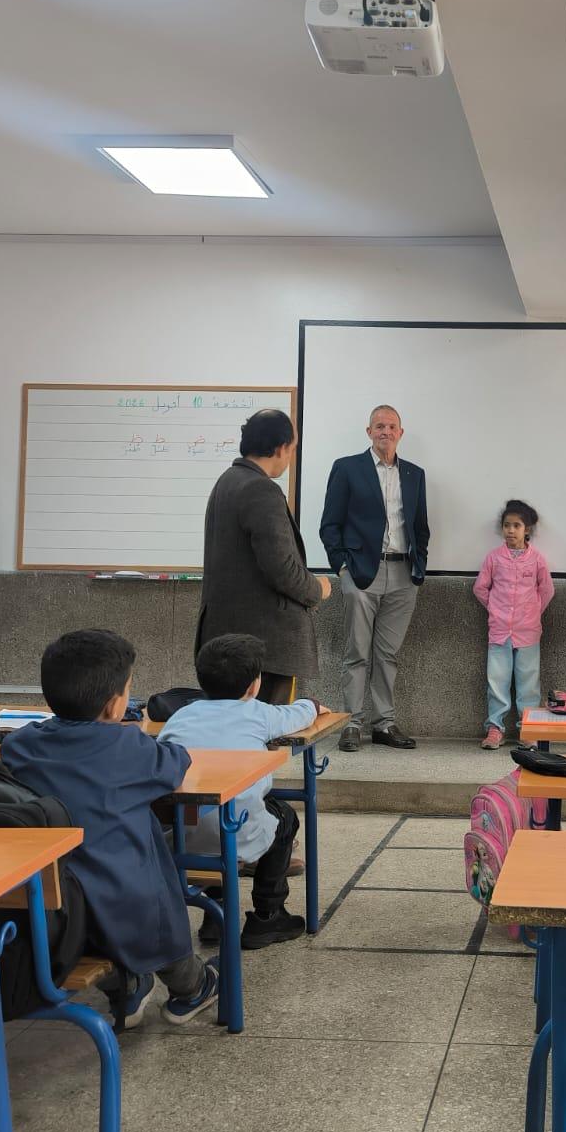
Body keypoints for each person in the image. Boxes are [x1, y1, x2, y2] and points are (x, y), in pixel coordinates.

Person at [3, 629, 219, 1029]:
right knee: (150, 861)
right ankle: (192, 987)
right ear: (114, 704)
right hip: (129, 910)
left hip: (54, 914)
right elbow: (176, 762)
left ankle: (126, 987)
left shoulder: (20, 745)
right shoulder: (128, 748)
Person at [159, 634, 314, 949]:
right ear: (254, 685)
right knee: (284, 816)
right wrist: (311, 704)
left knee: (211, 808)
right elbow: (299, 715)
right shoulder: (259, 713)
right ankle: (268, 915)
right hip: (236, 832)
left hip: (180, 837)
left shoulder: (181, 716)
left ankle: (214, 916)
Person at [197, 408, 331, 704]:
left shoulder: (227, 481)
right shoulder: (261, 489)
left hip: (228, 640)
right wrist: (318, 588)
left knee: (233, 726)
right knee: (266, 726)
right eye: (292, 449)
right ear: (282, 448)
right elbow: (282, 568)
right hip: (263, 646)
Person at [319, 404, 430, 752]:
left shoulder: (414, 474)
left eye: (392, 426)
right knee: (356, 652)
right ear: (369, 432)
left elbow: (421, 528)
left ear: (400, 433)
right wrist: (342, 568)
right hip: (361, 572)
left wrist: (420, 566)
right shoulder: (347, 468)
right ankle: (351, 723)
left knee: (388, 654)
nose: (386, 431)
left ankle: (384, 723)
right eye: (379, 426)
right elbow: (330, 525)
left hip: (403, 574)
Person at [473, 499, 555, 749]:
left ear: (526, 529)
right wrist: (496, 610)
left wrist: (532, 613)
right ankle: (495, 729)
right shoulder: (494, 558)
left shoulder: (537, 559)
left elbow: (547, 590)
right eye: (507, 525)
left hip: (528, 632)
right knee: (496, 681)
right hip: (499, 631)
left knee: (528, 683)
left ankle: (528, 729)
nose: (510, 530)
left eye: (516, 526)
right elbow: (480, 588)